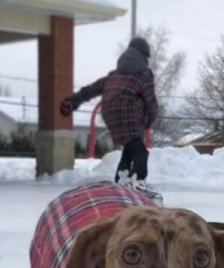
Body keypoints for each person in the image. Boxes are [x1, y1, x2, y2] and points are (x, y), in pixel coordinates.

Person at [59, 36, 160, 200]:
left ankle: (121, 181)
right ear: (144, 55)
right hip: (128, 112)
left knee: (129, 149)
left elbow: (92, 89)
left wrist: (73, 102)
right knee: (141, 153)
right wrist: (150, 118)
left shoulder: (115, 74)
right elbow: (150, 101)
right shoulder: (144, 73)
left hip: (109, 112)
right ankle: (139, 183)